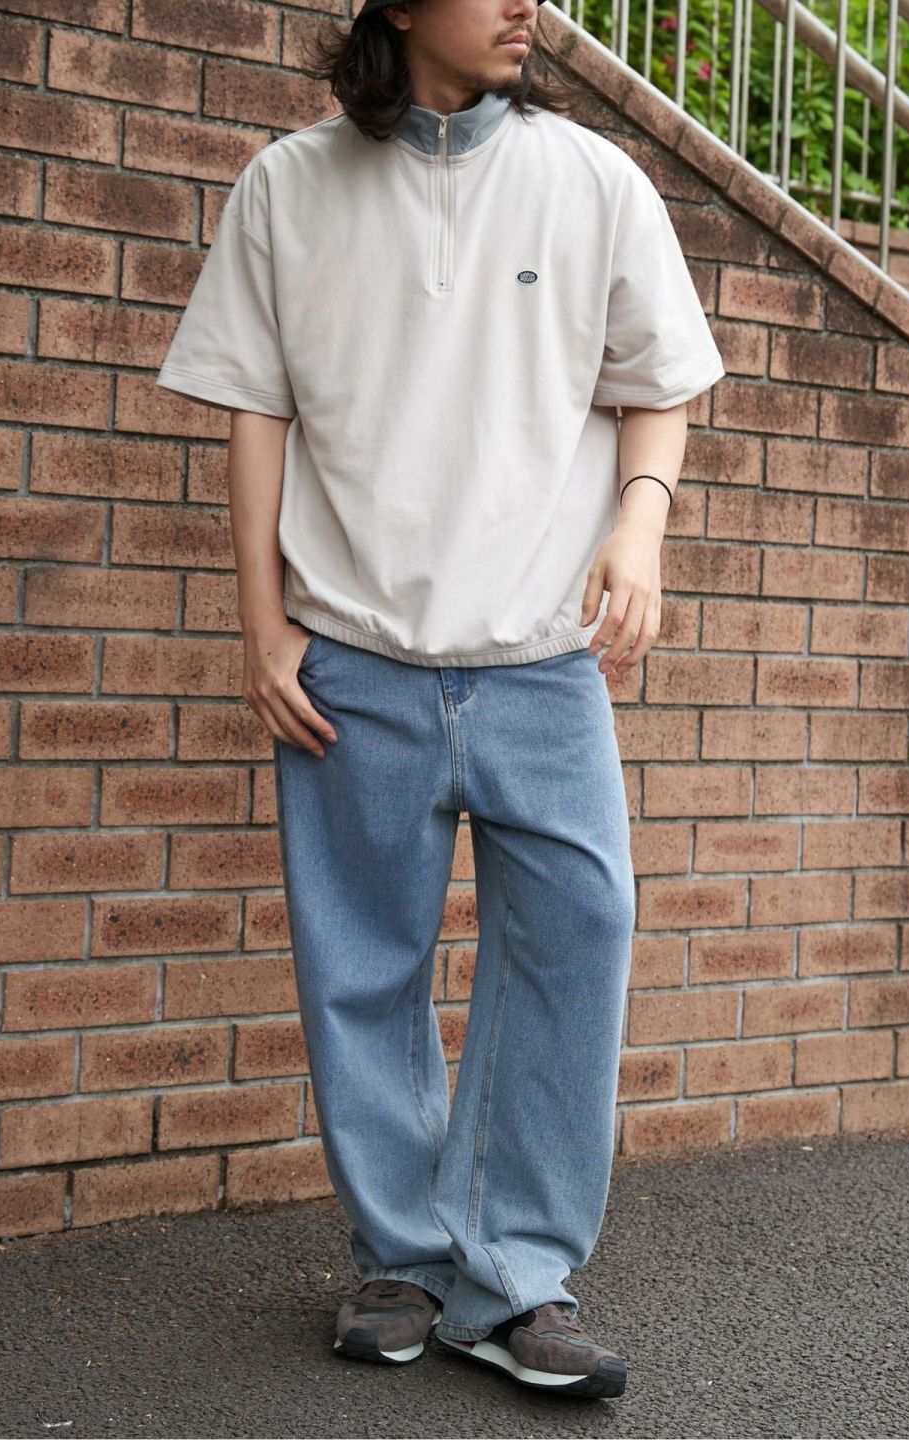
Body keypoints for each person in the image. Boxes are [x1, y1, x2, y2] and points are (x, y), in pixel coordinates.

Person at [155, 0, 725, 1402]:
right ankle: (404, 1259)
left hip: (542, 659)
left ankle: (513, 1273)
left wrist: (640, 528)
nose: (528, 4)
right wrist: (262, 625)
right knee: (362, 969)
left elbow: (659, 383)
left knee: (580, 934)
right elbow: (254, 410)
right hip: (354, 657)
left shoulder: (593, 181)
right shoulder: (289, 185)